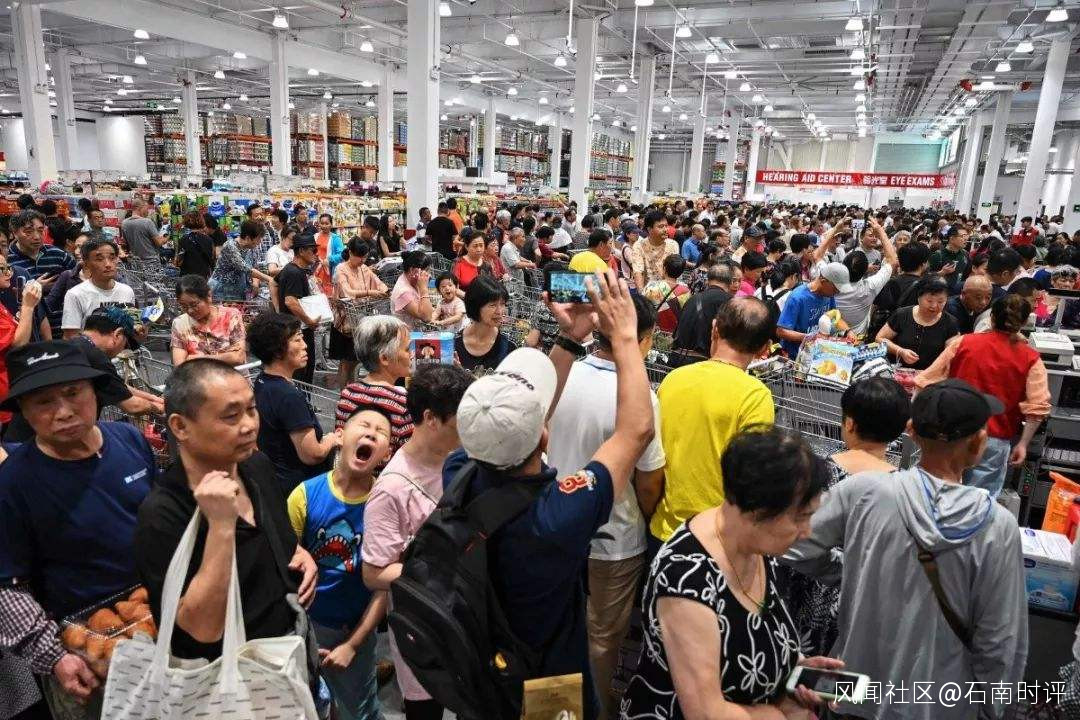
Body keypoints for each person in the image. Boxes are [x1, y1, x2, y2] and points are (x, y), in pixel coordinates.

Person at [444, 268, 654, 714]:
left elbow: (528, 418)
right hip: (547, 680)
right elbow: (636, 431)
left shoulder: (459, 471)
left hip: (479, 665)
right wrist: (625, 339)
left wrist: (571, 339)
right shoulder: (558, 516)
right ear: (543, 436)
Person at [783, 379, 1028, 720]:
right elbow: (1000, 637)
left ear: (910, 430)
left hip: (852, 688)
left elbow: (794, 547)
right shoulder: (997, 526)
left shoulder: (863, 492)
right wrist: (992, 706)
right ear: (978, 442)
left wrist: (851, 571)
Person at [622, 427, 836, 720]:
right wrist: (778, 715)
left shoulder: (757, 548)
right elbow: (706, 714)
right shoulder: (686, 581)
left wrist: (793, 670)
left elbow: (756, 634)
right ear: (758, 511)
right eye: (800, 518)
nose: (806, 531)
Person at [0, 341, 156, 718]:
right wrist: (54, 656)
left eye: (73, 393)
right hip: (84, 651)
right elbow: (7, 585)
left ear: (94, 392)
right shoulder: (13, 483)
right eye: (43, 401)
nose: (64, 411)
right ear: (23, 410)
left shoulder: (129, 441)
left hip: (157, 620)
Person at [136, 360, 318, 666]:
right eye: (231, 416)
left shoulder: (256, 467)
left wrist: (297, 552)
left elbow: (274, 534)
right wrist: (221, 527)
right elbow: (201, 630)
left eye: (252, 409)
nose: (249, 425)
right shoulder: (162, 513)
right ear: (180, 426)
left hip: (287, 650)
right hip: (227, 674)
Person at [545, 293, 666, 720]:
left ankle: (557, 710)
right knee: (601, 639)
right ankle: (597, 711)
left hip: (557, 526)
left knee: (557, 627)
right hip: (614, 537)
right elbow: (649, 480)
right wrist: (646, 518)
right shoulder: (642, 398)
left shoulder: (561, 374)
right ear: (641, 338)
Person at [361, 364, 474, 720]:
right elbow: (374, 573)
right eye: (458, 422)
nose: (465, 431)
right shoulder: (392, 489)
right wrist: (443, 569)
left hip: (466, 620)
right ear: (430, 419)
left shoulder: (460, 460)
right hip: (424, 628)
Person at [779, 377, 910, 658]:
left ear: (849, 423)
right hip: (865, 599)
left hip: (809, 591)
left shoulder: (814, 472)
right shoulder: (903, 488)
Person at [651, 297, 777, 549]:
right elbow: (752, 477)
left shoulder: (673, 380)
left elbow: (652, 459)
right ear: (764, 348)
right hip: (715, 538)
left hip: (664, 530)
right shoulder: (755, 396)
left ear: (714, 329)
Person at [288, 408, 389, 720]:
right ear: (340, 436)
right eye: (364, 425)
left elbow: (383, 588)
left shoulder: (385, 504)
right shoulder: (304, 495)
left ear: (386, 453)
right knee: (306, 704)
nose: (371, 432)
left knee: (359, 709)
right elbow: (285, 560)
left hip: (357, 628)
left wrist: (353, 645)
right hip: (309, 625)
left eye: (381, 432)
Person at [916, 294, 1050, 498]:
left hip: (950, 432)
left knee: (935, 493)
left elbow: (925, 380)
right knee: (978, 501)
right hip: (994, 439)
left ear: (991, 317)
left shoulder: (963, 343)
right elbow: (1037, 406)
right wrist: (1023, 443)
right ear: (1023, 323)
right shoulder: (1030, 358)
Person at [248, 313, 341, 492]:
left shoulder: (262, 381)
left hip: (277, 480)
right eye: (297, 340)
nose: (305, 345)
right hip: (300, 489)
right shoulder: (288, 396)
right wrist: (331, 440)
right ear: (277, 350)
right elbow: (312, 455)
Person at [335, 315, 414, 459]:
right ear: (384, 358)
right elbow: (410, 456)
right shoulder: (402, 403)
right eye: (407, 349)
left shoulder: (347, 394)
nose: (412, 354)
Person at [331, 238, 388, 388]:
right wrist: (370, 292)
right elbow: (347, 292)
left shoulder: (364, 268)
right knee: (346, 362)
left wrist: (383, 290)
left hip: (361, 319)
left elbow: (379, 283)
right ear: (350, 253)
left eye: (365, 257)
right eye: (359, 256)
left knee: (356, 360)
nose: (362, 260)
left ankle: (351, 390)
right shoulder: (341, 269)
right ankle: (344, 393)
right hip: (344, 321)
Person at [876, 274, 958, 370]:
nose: (934, 306)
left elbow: (951, 354)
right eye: (929, 301)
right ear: (919, 297)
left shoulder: (950, 322)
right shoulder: (902, 314)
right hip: (899, 372)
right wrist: (900, 351)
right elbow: (880, 339)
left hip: (929, 375)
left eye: (940, 302)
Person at [60, 238, 134, 338]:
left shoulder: (127, 291)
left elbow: (132, 334)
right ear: (86, 264)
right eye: (99, 259)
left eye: (112, 258)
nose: (108, 264)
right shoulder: (75, 294)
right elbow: (71, 337)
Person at [455, 275, 528, 375]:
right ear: (475, 306)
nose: (500, 311)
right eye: (492, 305)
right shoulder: (453, 343)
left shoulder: (510, 345)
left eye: (502, 304)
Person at [170, 274, 247, 367]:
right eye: (184, 306)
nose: (190, 311)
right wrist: (225, 357)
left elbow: (238, 358)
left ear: (209, 296)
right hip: (197, 376)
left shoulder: (231, 315)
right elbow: (180, 364)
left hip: (232, 375)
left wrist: (199, 359)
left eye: (194, 304)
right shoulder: (179, 323)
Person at [776, 263, 850, 358]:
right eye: (836, 289)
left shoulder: (829, 295)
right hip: (795, 355)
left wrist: (848, 331)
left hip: (815, 353)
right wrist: (810, 337)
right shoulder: (797, 298)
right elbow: (781, 331)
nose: (837, 292)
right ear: (823, 281)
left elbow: (835, 317)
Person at [276, 231, 321, 385]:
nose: (315, 254)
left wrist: (279, 311)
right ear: (301, 251)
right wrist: (309, 321)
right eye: (313, 250)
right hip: (298, 330)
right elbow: (290, 301)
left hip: (295, 328)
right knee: (302, 373)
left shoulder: (291, 269)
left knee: (302, 371)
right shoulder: (294, 272)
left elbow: (273, 283)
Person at [209, 219, 274, 302]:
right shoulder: (230, 246)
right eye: (258, 239)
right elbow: (246, 268)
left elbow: (254, 267)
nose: (260, 242)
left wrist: (255, 283)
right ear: (247, 238)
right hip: (221, 291)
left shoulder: (251, 248)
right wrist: (269, 279)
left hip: (238, 291)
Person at [642, 254, 690, 334]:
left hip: (652, 332)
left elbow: (642, 309)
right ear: (681, 272)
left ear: (664, 268)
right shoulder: (686, 292)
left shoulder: (651, 287)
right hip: (674, 335)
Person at [631, 210, 680, 289]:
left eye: (666, 226)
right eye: (661, 227)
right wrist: (641, 293)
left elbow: (674, 271)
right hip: (648, 292)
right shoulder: (639, 246)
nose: (665, 229)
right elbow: (638, 272)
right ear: (649, 229)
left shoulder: (673, 245)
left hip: (669, 290)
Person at [390, 250, 435, 330]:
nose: (429, 274)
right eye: (426, 270)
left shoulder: (410, 280)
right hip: (408, 335)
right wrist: (424, 289)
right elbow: (426, 317)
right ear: (412, 270)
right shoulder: (403, 292)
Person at [175, 209, 215, 279]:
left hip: (187, 278)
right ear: (202, 221)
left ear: (186, 222)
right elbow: (212, 259)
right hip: (203, 278)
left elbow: (178, 262)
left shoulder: (183, 239)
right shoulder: (209, 240)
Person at [929, 226, 969, 295]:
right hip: (939, 293)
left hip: (957, 294)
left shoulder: (965, 254)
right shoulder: (938, 255)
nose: (966, 239)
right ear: (952, 238)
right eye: (963, 236)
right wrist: (941, 273)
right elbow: (925, 277)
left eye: (967, 236)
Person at [313, 213, 345, 296]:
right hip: (315, 270)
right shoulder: (315, 236)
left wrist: (329, 260)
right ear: (319, 224)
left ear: (331, 224)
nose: (324, 226)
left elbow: (342, 255)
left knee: (329, 295)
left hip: (329, 271)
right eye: (322, 223)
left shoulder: (335, 238)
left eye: (326, 223)